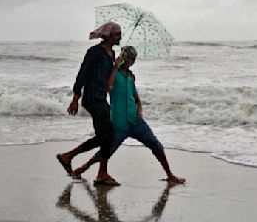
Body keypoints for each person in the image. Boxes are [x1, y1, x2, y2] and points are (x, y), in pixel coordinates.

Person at [72, 45, 185, 184]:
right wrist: (115, 67)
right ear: (122, 58)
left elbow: (137, 99)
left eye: (132, 59)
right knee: (107, 151)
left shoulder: (131, 77)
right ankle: (82, 168)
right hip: (119, 123)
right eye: (128, 58)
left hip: (135, 122)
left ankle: (170, 175)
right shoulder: (113, 73)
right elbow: (108, 87)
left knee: (156, 145)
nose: (130, 62)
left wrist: (140, 111)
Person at [56, 22, 122, 186]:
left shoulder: (111, 54)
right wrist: (75, 98)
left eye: (120, 34)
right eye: (116, 34)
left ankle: (70, 157)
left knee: (106, 136)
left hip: (101, 97)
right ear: (108, 36)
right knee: (107, 135)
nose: (119, 37)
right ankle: (100, 173)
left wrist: (116, 67)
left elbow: (108, 83)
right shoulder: (94, 52)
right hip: (92, 97)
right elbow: (82, 74)